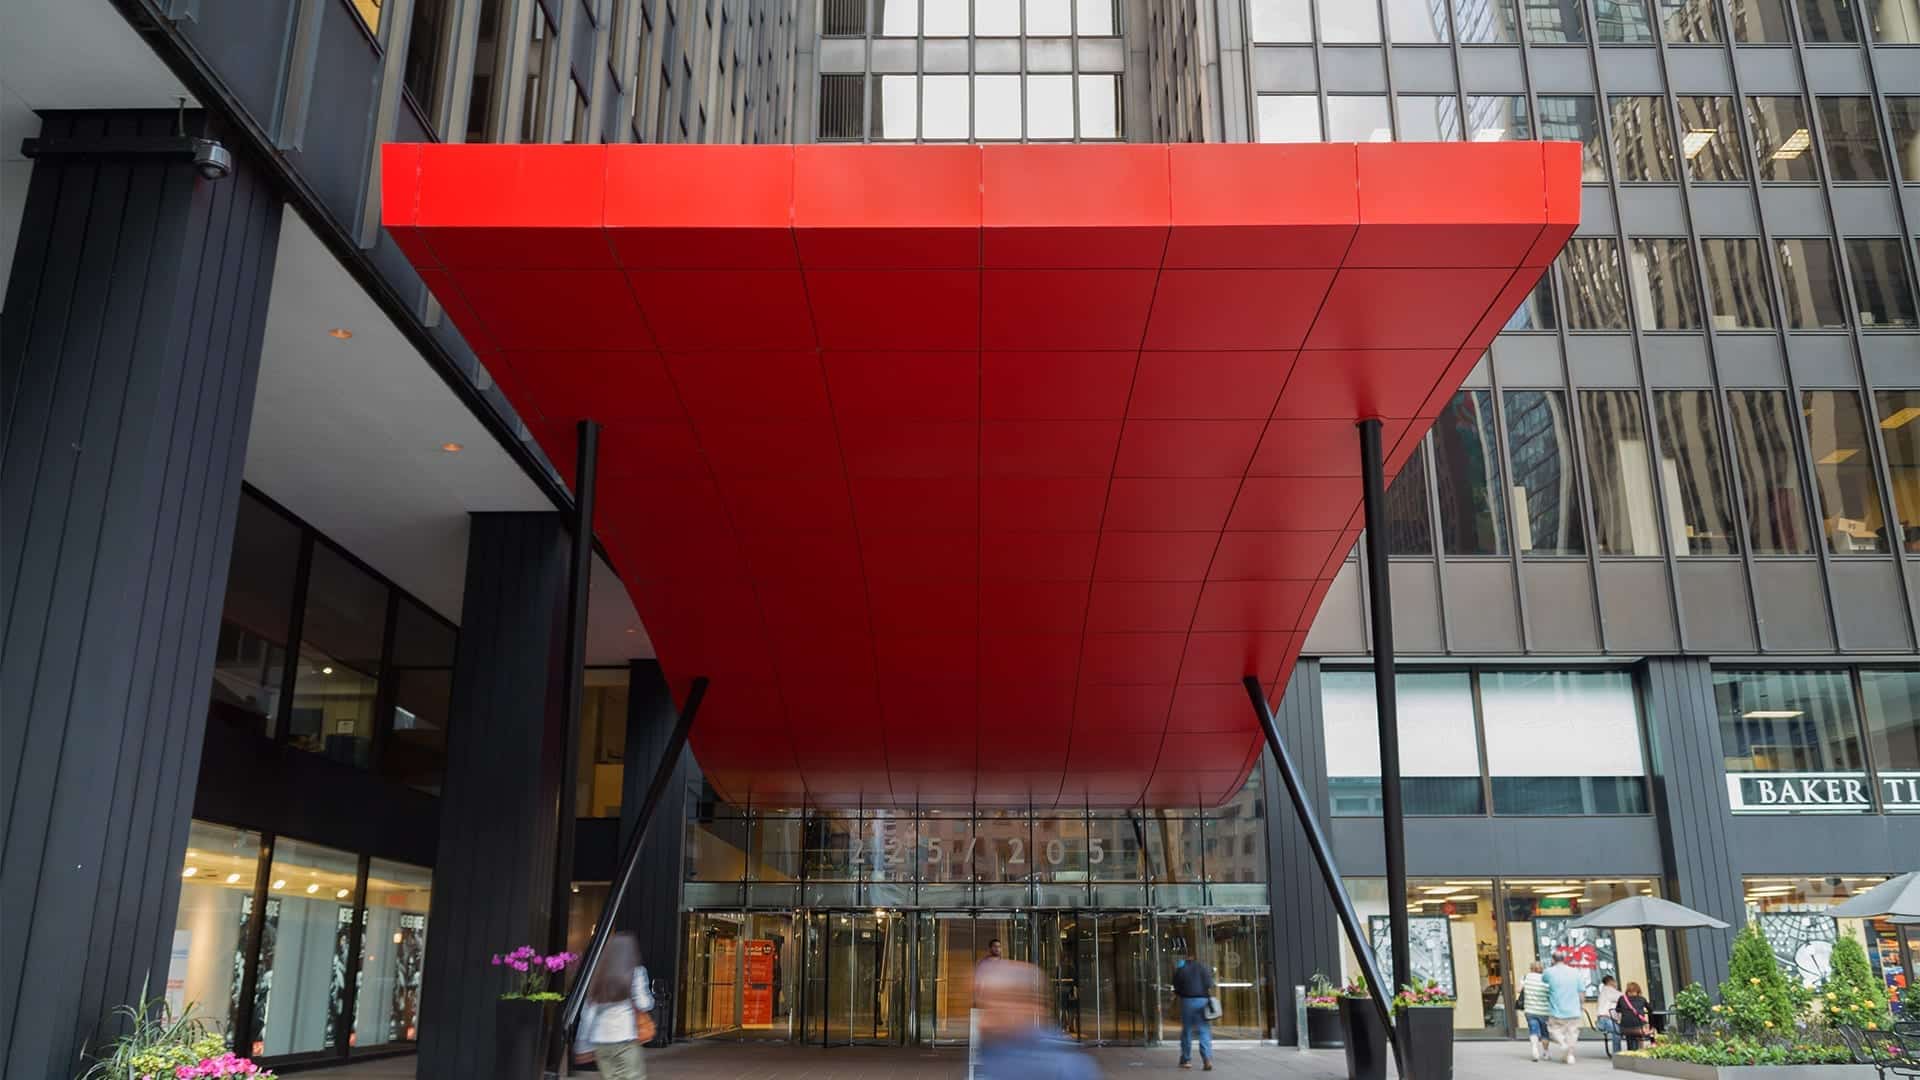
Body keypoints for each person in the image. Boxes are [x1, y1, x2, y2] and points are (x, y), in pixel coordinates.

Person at [974, 959, 1097, 1080]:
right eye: (986, 1005)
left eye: (999, 1001)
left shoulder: (1065, 1066)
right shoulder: (991, 1051)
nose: (983, 1021)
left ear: (1030, 1005)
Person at [573, 932, 655, 1080]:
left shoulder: (599, 974)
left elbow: (588, 1013)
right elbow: (645, 1004)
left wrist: (582, 1045)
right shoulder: (637, 973)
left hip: (601, 1042)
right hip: (625, 1038)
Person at [1171, 948, 1216, 1072]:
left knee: (1187, 1031)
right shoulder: (1203, 968)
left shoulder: (1181, 969)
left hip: (1187, 1001)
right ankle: (1206, 1059)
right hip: (1202, 1001)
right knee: (1204, 1030)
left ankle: (1186, 1060)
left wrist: (1180, 994)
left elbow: (1175, 986)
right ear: (1195, 957)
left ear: (1186, 958)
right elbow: (1209, 984)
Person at [1544, 951, 1587, 1065]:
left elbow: (1544, 982)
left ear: (1553, 960)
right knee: (1572, 1033)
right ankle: (1570, 1056)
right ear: (1565, 959)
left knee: (1554, 1029)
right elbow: (1581, 992)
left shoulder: (1549, 972)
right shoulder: (1575, 972)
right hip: (1574, 1010)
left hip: (1557, 1009)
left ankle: (1562, 1043)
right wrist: (1581, 1005)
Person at [1520, 960, 1552, 1062]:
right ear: (1542, 969)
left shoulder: (1525, 977)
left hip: (1530, 1010)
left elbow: (1518, 989)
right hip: (1544, 1011)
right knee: (1544, 1033)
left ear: (1531, 968)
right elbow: (1550, 994)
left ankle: (1535, 1050)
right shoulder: (1546, 980)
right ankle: (1546, 1053)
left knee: (1533, 1030)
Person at [1615, 982, 1656, 1050]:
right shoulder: (1642, 999)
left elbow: (1617, 1010)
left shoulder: (1622, 998)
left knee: (1630, 1033)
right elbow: (1651, 1009)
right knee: (1650, 1029)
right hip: (1639, 1029)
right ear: (1638, 991)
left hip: (1624, 1029)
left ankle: (1631, 1050)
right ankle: (1648, 1048)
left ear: (1627, 991)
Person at [1595, 975, 1624, 1054]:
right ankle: (1617, 1054)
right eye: (1615, 981)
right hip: (1605, 1020)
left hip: (1604, 1020)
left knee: (1621, 1029)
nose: (1616, 983)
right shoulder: (1609, 990)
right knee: (1617, 1031)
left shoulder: (1604, 991)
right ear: (1611, 982)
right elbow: (1623, 997)